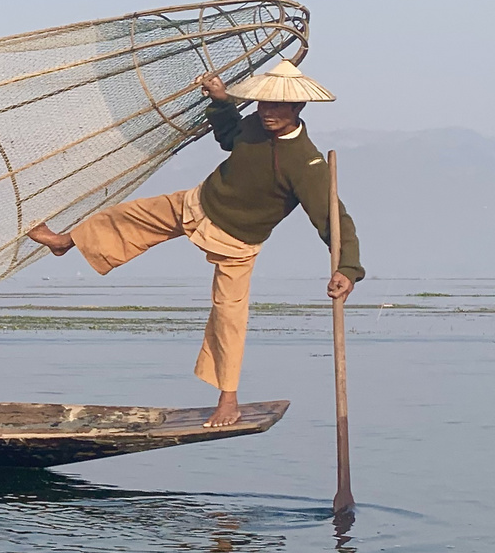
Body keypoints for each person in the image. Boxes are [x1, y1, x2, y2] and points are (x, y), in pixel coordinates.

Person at [27, 60, 362, 428]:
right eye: (265, 104)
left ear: (298, 108)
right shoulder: (254, 123)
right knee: (129, 215)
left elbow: (333, 219)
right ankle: (65, 242)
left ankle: (228, 400)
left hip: (237, 242)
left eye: (278, 106)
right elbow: (229, 138)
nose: (268, 112)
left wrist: (346, 268)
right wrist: (221, 101)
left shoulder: (307, 163)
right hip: (198, 203)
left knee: (228, 318)